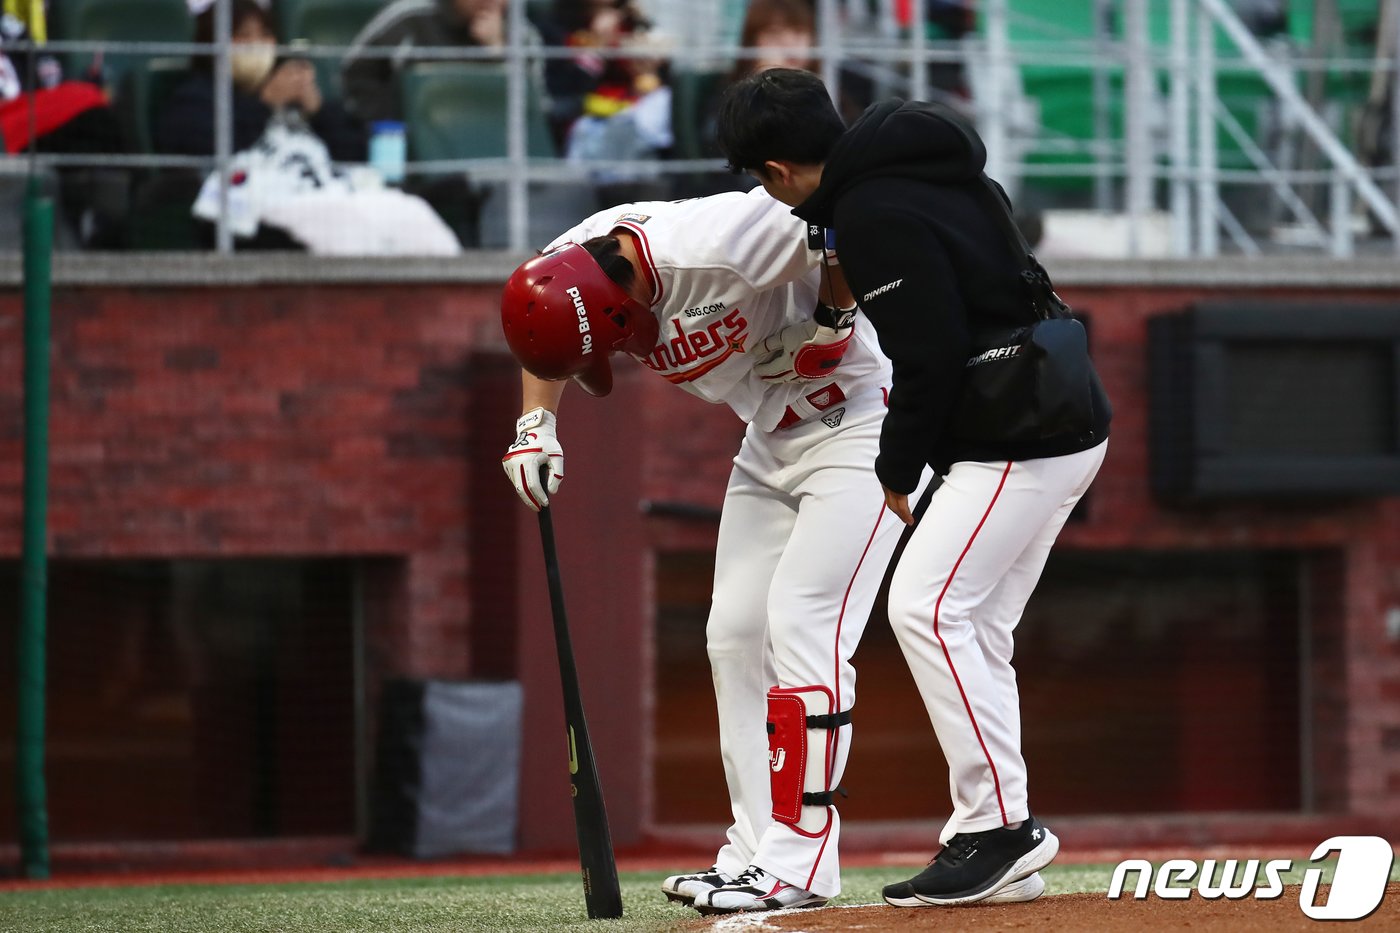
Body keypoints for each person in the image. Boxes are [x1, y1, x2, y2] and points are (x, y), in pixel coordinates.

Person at [715, 68, 1111, 908]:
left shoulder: (870, 212)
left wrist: (897, 468)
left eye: (762, 178)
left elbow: (927, 356)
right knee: (977, 623)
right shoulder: (927, 158)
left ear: (777, 172)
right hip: (1061, 409)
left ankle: (999, 830)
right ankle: (1001, 826)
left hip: (1020, 436)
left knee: (929, 607)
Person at [499, 189, 951, 915]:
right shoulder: (570, 262)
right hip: (771, 435)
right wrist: (535, 424)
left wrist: (834, 316)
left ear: (620, 310)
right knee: (733, 636)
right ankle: (754, 850)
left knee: (804, 626)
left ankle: (800, 859)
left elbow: (848, 220)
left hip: (863, 422)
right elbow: (543, 327)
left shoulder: (724, 238)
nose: (615, 354)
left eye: (612, 342)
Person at [155, 0, 366, 162]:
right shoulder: (194, 98)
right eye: (243, 36)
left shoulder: (292, 94)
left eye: (264, 35)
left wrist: (318, 111)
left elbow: (357, 155)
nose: (256, 45)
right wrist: (265, 103)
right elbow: (210, 152)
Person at [340, 0, 544, 125]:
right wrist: (398, 122)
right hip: (412, 158)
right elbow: (356, 73)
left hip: (496, 158)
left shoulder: (523, 37)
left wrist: (498, 53)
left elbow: (534, 114)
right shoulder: (409, 17)